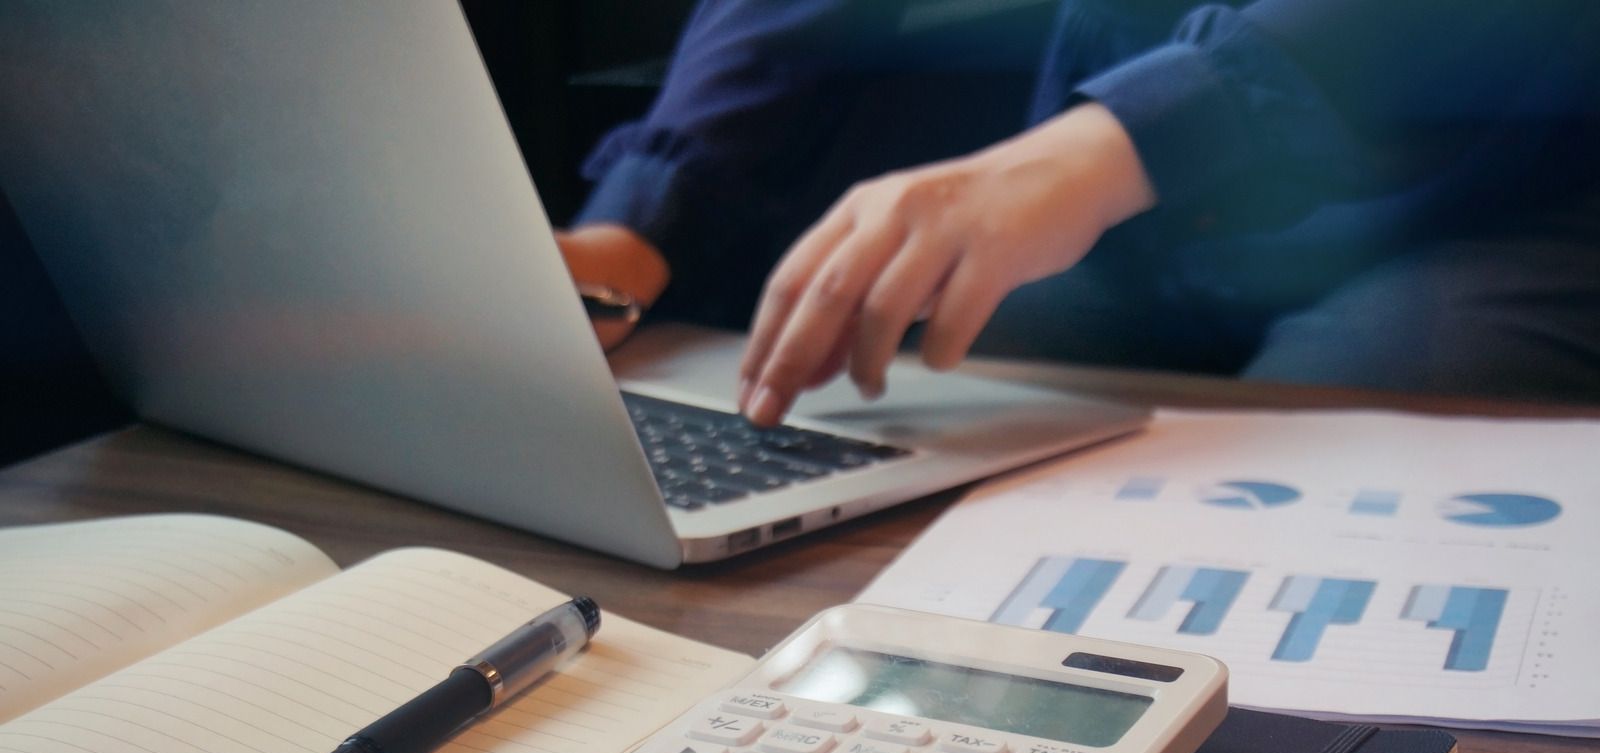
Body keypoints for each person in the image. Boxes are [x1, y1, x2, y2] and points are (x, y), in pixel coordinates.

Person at [558, 0, 1600, 426]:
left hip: (1491, 192)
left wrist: (1122, 140)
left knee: (1351, 420)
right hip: (1153, 211)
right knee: (945, 403)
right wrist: (646, 215)